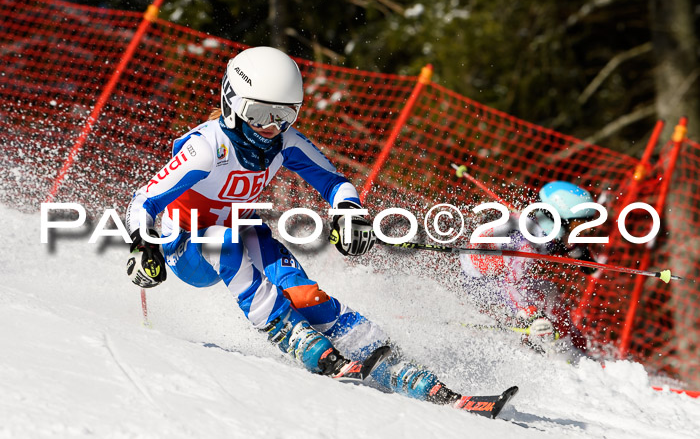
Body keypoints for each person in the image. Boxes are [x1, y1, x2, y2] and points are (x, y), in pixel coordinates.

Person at [124, 46, 498, 410]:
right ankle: (287, 332)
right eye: (257, 114)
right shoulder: (206, 149)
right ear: (231, 103)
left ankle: (390, 359)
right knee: (226, 241)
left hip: (240, 228)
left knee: (303, 295)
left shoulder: (285, 143)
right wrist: (143, 244)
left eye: (283, 116)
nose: (270, 128)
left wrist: (349, 213)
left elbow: (336, 184)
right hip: (187, 245)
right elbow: (144, 200)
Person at [459, 181, 598, 355]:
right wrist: (531, 314)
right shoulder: (527, 245)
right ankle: (542, 340)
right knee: (535, 297)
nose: (584, 232)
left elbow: (565, 244)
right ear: (560, 220)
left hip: (494, 278)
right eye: (579, 224)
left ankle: (571, 342)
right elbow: (509, 284)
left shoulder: (542, 230)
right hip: (478, 285)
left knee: (548, 290)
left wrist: (580, 255)